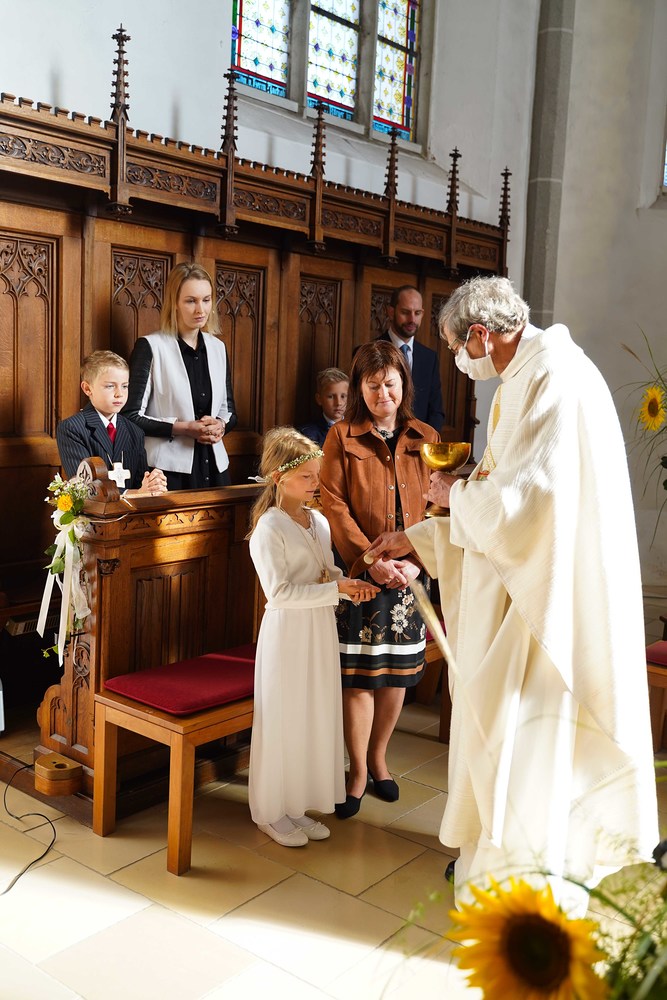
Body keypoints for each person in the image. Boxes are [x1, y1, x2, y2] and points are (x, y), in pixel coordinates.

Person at [366, 275, 659, 915]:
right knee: (506, 735)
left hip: (540, 601)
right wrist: (421, 533)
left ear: (481, 334)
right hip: (524, 583)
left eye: (459, 349)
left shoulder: (552, 376)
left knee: (520, 736)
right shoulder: (526, 375)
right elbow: (507, 486)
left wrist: (451, 494)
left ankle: (524, 879)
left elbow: (525, 505)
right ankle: (497, 863)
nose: (461, 361)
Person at [319, 341, 439, 819]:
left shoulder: (426, 436)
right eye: (373, 386)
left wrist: (417, 561)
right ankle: (356, 772)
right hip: (362, 579)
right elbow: (333, 504)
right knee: (359, 678)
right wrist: (370, 560)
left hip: (408, 577)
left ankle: (379, 759)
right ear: (359, 389)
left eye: (391, 384)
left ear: (403, 385)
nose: (383, 393)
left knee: (396, 676)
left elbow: (438, 506)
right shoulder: (341, 436)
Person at [247, 427, 378, 847]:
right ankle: (270, 811)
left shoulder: (317, 520)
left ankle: (296, 804)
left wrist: (350, 585)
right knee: (283, 719)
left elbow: (327, 572)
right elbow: (280, 593)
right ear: (278, 477)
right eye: (306, 476)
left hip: (318, 628)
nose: (315, 483)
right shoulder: (269, 527)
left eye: (317, 474)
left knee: (310, 717)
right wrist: (335, 589)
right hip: (288, 633)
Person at [123, 262, 237, 490]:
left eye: (206, 300)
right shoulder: (151, 346)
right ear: (174, 303)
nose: (200, 310)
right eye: (191, 301)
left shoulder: (218, 347)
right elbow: (130, 416)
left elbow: (229, 410)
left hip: (215, 467)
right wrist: (184, 428)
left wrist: (221, 425)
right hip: (167, 472)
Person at [57, 350, 167, 494]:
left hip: (132, 508)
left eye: (124, 386)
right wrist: (136, 493)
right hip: (94, 508)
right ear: (87, 389)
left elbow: (140, 482)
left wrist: (152, 483)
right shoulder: (72, 428)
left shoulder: (135, 431)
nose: (119, 394)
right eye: (110, 386)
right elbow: (84, 487)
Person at [377, 285, 445, 433]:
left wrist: (427, 440)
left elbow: (436, 411)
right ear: (391, 312)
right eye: (405, 312)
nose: (412, 319)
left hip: (420, 441)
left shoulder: (430, 358)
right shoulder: (368, 352)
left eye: (417, 313)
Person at [300, 367, 349, 446]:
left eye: (343, 396)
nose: (338, 403)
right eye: (331, 397)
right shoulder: (307, 434)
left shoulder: (356, 430)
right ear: (319, 399)